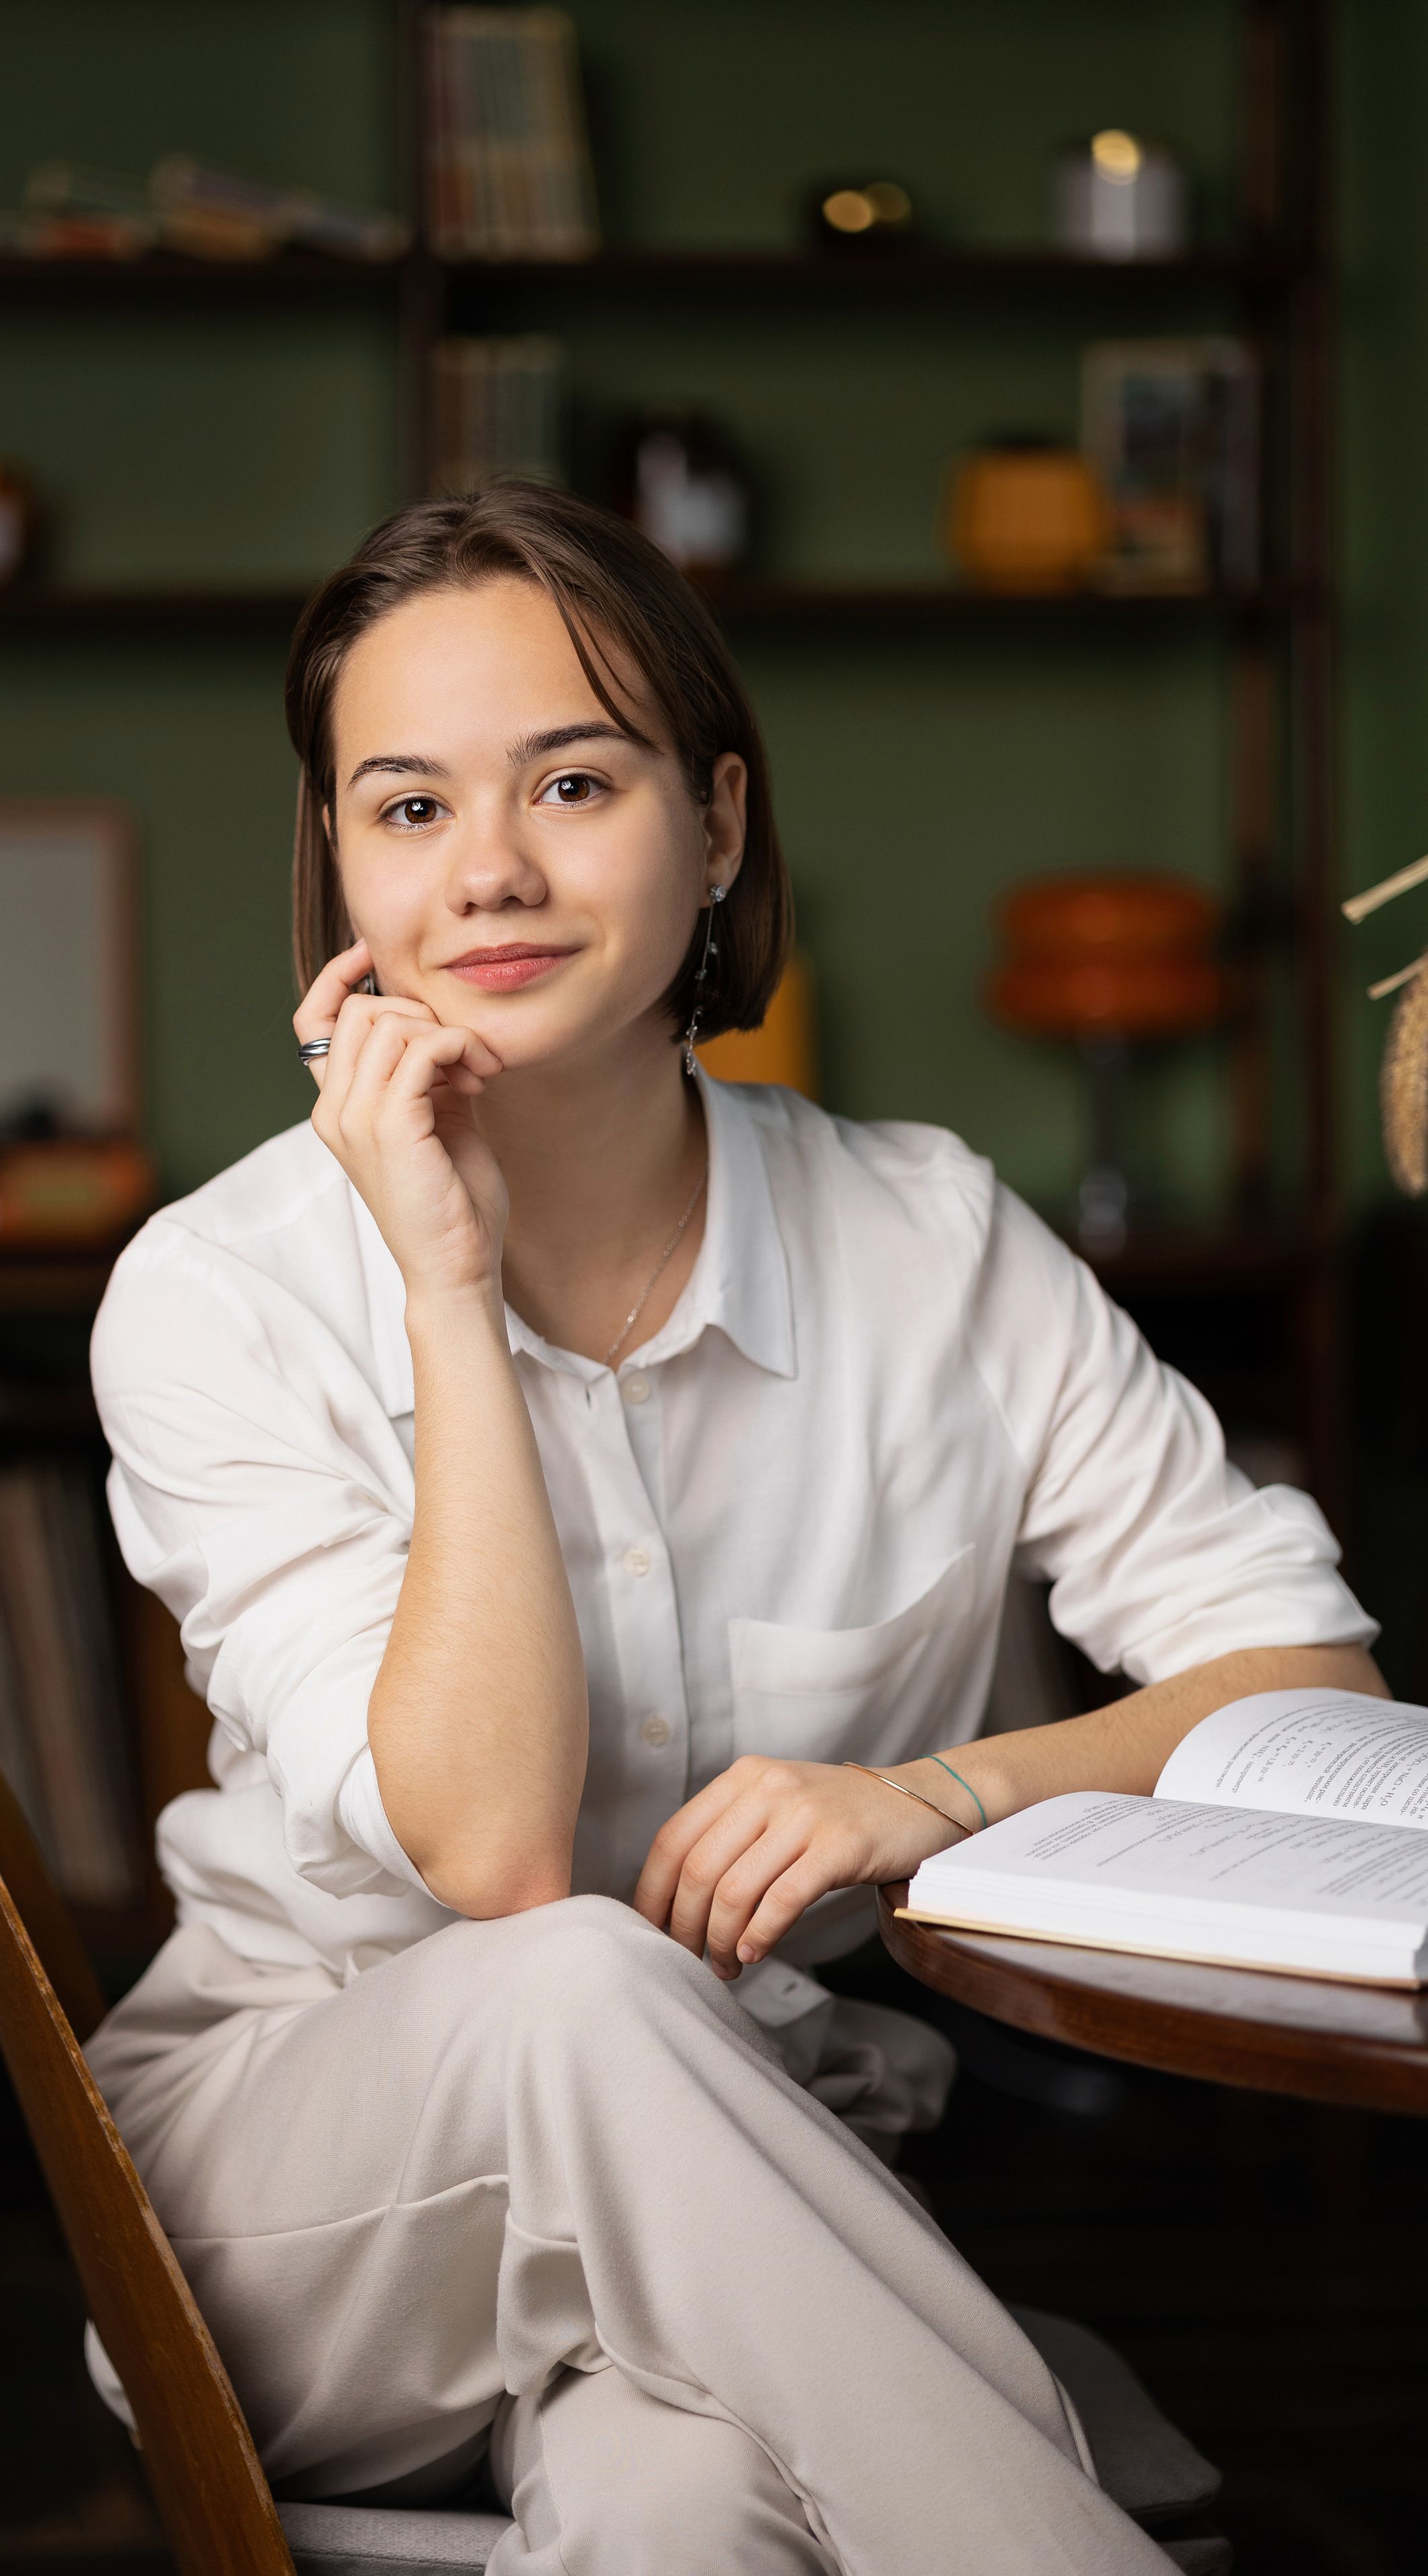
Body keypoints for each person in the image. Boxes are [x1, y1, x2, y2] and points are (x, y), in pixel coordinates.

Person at [85, 484, 1383, 2575]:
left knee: (676, 2510)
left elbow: (1308, 1682)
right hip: (307, 2208)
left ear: (716, 823)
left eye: (573, 782)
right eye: (404, 810)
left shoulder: (930, 1236)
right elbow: (496, 1862)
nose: (489, 869)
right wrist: (445, 1287)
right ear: (337, 862)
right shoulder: (221, 1288)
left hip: (761, 2191)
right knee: (577, 1974)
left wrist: (932, 1797)